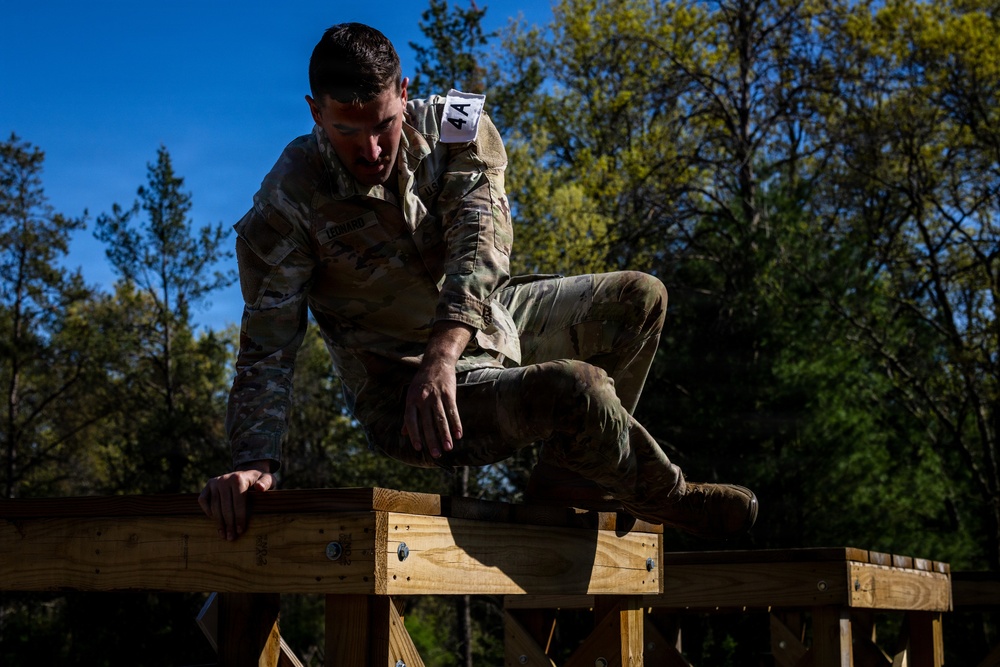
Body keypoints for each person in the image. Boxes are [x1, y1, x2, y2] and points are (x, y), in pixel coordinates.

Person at [199, 22, 757, 542]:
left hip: (490, 327)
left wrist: (443, 352)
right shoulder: (289, 198)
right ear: (316, 114)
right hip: (407, 399)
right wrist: (254, 463)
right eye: (347, 131)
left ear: (404, 93)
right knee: (577, 389)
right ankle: (667, 496)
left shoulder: (456, 126)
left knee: (640, 298)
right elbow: (267, 346)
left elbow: (481, 240)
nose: (371, 151)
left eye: (383, 125)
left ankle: (572, 479)